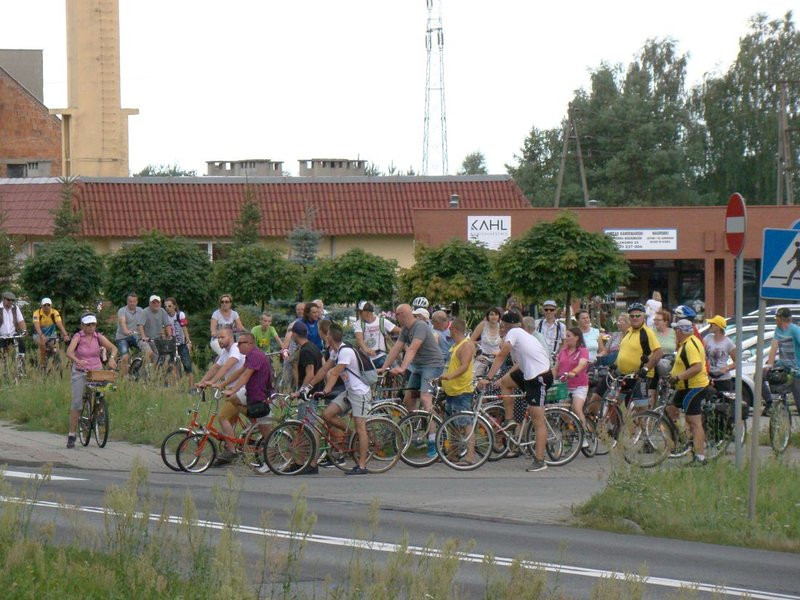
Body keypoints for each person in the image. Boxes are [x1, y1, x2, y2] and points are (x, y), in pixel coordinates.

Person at [479, 311, 552, 473]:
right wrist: (503, 377)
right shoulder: (521, 336)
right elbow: (518, 363)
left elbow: (501, 356)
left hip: (539, 377)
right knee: (506, 382)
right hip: (528, 374)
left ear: (505, 326)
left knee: (537, 419)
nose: (500, 329)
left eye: (501, 326)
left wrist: (488, 378)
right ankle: (510, 419)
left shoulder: (515, 332)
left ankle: (540, 460)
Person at [380, 303, 444, 458]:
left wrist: (402, 368)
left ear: (402, 314)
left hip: (432, 364)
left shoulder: (420, 325)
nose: (395, 318)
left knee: (425, 398)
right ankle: (416, 432)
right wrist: (383, 368)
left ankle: (433, 441)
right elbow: (396, 348)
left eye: (396, 314)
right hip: (418, 366)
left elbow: (413, 348)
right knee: (408, 398)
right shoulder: (405, 330)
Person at [319, 323, 372, 475]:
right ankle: (350, 433)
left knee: (361, 428)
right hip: (350, 392)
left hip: (360, 392)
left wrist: (326, 390)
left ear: (330, 336)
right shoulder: (335, 352)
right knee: (327, 414)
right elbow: (324, 370)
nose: (325, 337)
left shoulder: (345, 351)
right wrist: (308, 387)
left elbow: (335, 373)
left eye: (326, 334)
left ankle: (362, 466)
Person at [590, 303, 662, 410]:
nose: (635, 318)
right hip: (623, 376)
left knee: (639, 410)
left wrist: (646, 369)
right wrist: (614, 365)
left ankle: (643, 426)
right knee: (612, 405)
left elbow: (658, 353)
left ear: (643, 317)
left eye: (638, 316)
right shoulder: (629, 331)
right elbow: (623, 352)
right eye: (632, 316)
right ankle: (615, 427)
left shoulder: (647, 333)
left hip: (638, 377)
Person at [65, 314, 118, 448]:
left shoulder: (97, 336)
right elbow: (69, 352)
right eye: (88, 325)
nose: (91, 327)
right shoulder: (78, 336)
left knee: (103, 390)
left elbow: (113, 348)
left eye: (93, 324)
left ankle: (100, 412)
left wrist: (112, 358)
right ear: (82, 326)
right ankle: (72, 434)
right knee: (77, 403)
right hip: (80, 371)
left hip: (96, 370)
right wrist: (78, 361)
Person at [195, 326, 247, 464]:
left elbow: (227, 367)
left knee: (223, 417)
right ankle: (233, 447)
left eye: (222, 337)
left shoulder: (235, 348)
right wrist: (202, 381)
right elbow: (216, 367)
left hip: (241, 390)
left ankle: (231, 451)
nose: (219, 340)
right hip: (232, 391)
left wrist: (213, 382)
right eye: (218, 337)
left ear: (230, 337)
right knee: (230, 421)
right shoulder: (225, 352)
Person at [221, 331, 275, 460]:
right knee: (233, 399)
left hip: (262, 397)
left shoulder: (256, 355)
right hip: (252, 395)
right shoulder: (250, 356)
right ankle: (253, 422)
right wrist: (222, 384)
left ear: (250, 343)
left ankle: (272, 460)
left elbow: (245, 376)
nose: (237, 345)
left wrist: (233, 390)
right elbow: (240, 372)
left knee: (267, 433)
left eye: (240, 343)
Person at [667, 319, 710, 466]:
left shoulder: (690, 345)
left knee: (694, 422)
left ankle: (700, 456)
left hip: (694, 386)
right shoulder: (687, 343)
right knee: (670, 409)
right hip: (684, 386)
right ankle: (684, 441)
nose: (674, 333)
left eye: (676, 330)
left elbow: (696, 367)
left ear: (681, 331)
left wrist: (678, 377)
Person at [440, 318, 477, 465]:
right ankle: (453, 453)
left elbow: (464, 366)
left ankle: (470, 455)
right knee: (453, 424)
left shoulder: (466, 345)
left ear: (454, 329)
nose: (449, 331)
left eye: (450, 329)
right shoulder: (454, 346)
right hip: (451, 391)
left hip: (462, 390)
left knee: (466, 423)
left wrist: (449, 376)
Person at [555, 327, 590, 441]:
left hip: (579, 385)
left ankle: (583, 436)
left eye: (569, 336)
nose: (566, 338)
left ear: (576, 338)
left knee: (576, 408)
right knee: (563, 412)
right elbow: (556, 368)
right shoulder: (563, 351)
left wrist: (573, 372)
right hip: (564, 386)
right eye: (566, 335)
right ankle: (572, 429)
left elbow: (582, 364)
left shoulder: (582, 350)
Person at [766, 307, 800, 415]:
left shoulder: (794, 330)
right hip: (783, 367)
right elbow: (774, 347)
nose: (775, 320)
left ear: (782, 319)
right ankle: (769, 402)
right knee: (759, 375)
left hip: (796, 370)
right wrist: (770, 365)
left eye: (777, 318)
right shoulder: (778, 330)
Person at [353, 302, 399, 369]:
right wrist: (367, 350)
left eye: (360, 312)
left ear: (367, 312)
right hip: (366, 359)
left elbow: (400, 331)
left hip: (381, 356)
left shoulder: (382, 321)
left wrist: (404, 343)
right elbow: (359, 339)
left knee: (394, 366)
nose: (359, 314)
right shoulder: (358, 323)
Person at [164, 297, 193, 387]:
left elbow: (184, 328)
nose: (167, 308)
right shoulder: (164, 317)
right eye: (166, 306)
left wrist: (188, 341)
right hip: (171, 344)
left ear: (174, 306)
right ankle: (175, 386)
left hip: (182, 343)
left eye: (170, 306)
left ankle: (191, 387)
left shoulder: (180, 315)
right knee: (171, 365)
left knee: (187, 365)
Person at [32, 297, 70, 365]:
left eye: (48, 305)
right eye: (45, 305)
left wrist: (65, 335)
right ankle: (43, 363)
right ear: (41, 306)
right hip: (38, 334)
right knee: (42, 344)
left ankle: (56, 363)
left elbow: (59, 324)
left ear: (51, 305)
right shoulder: (37, 313)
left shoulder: (54, 312)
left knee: (53, 348)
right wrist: (42, 335)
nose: (46, 307)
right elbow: (36, 326)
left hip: (51, 334)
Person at [136, 295, 173, 363]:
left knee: (162, 357)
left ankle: (154, 371)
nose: (156, 304)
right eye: (153, 302)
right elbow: (140, 325)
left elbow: (167, 325)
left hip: (157, 340)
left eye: (158, 302)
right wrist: (143, 337)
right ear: (150, 303)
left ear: (160, 303)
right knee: (149, 353)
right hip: (145, 340)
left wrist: (170, 336)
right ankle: (143, 369)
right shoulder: (145, 311)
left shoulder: (162, 311)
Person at [703, 315, 735, 392]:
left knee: (723, 402)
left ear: (718, 327)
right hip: (709, 377)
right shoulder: (708, 338)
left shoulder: (728, 343)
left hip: (723, 379)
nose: (709, 326)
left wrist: (726, 369)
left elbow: (737, 362)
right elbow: (701, 353)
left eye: (712, 324)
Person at [115, 293, 143, 375]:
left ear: (137, 302)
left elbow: (144, 323)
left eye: (134, 301)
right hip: (122, 337)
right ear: (127, 301)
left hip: (135, 336)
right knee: (125, 357)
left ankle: (138, 370)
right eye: (130, 301)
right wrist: (126, 330)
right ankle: (125, 379)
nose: (132, 303)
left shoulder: (141, 311)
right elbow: (122, 322)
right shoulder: (122, 310)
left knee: (146, 350)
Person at [279, 302, 305, 391]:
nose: (300, 311)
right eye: (298, 309)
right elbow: (287, 339)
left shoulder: (310, 323)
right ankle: (281, 397)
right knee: (286, 377)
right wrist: (284, 351)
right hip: (292, 353)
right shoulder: (294, 324)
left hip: (304, 353)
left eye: (302, 309)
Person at [0, 291, 27, 357]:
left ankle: (21, 364)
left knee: (21, 347)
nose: (11, 302)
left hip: (13, 334)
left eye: (12, 300)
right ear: (3, 299)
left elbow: (20, 321)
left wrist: (24, 331)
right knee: (2, 354)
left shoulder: (15, 308)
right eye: (8, 300)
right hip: (1, 335)